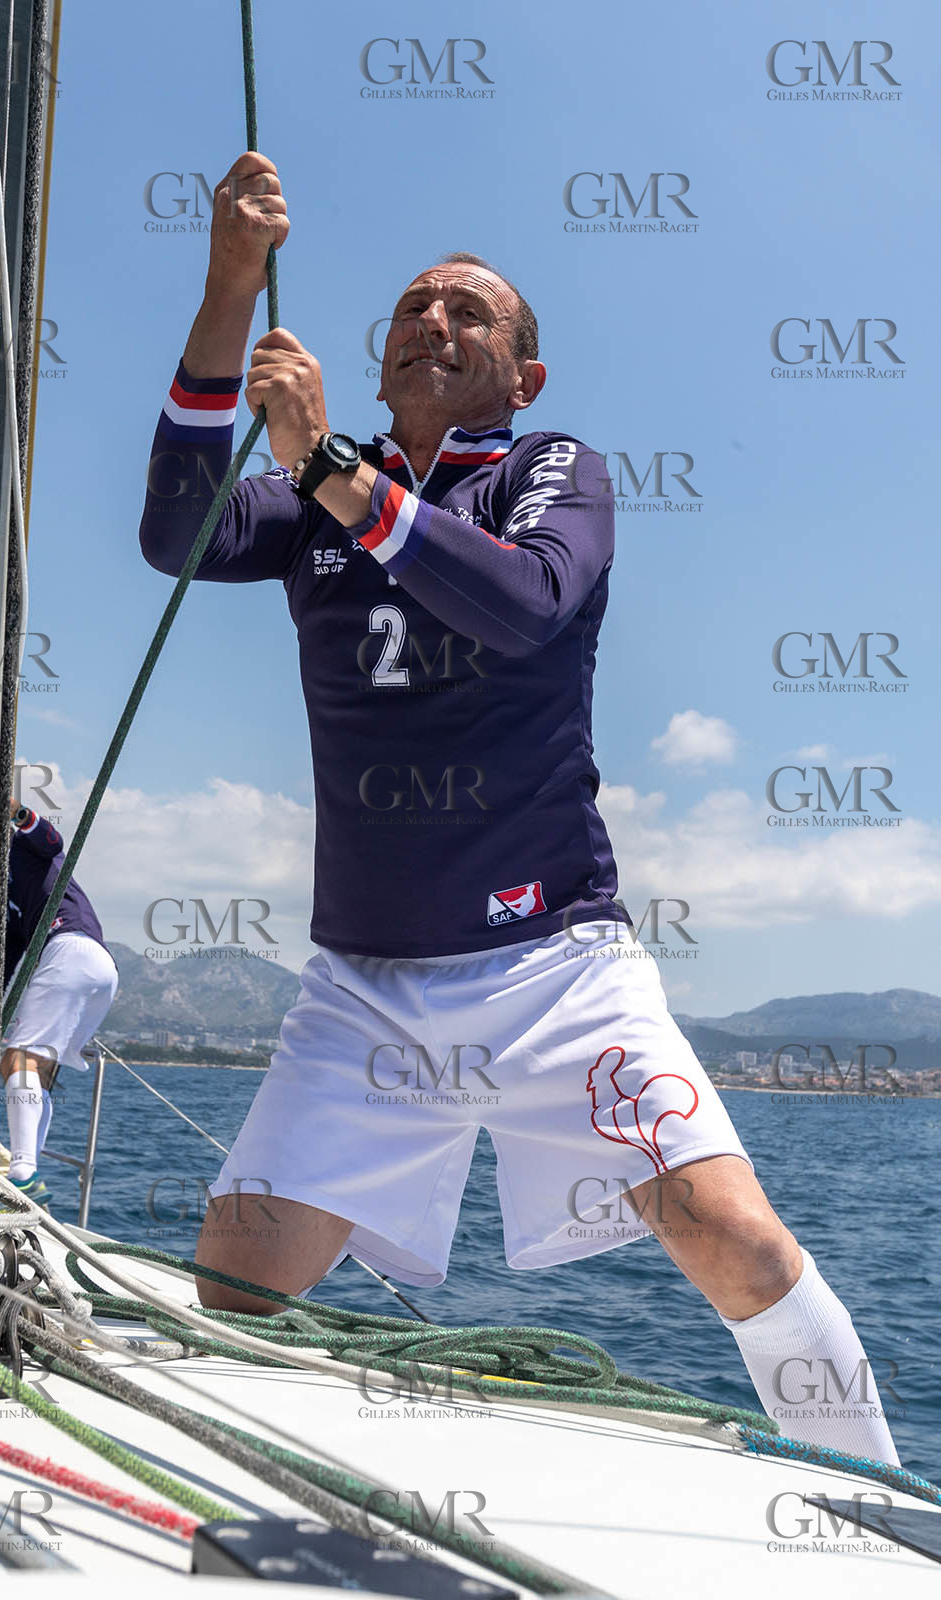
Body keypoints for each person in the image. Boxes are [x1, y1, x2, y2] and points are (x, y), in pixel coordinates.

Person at [138, 152, 898, 1465]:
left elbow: (520, 604)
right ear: (375, 363)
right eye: (414, 309)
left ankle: (879, 1505)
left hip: (556, 966)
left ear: (520, 376)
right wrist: (223, 292)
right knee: (234, 1288)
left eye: (469, 313)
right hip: (362, 986)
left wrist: (325, 464)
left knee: (733, 1239)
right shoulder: (315, 496)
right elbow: (177, 533)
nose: (433, 320)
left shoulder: (549, 469)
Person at [0, 781, 118, 1206]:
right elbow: (12, 959)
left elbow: (51, 839)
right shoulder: (8, 899)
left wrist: (9, 807)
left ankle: (24, 1173)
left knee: (18, 1059)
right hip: (100, 968)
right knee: (36, 1072)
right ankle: (28, 1171)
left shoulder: (27, 849)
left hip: (68, 950)